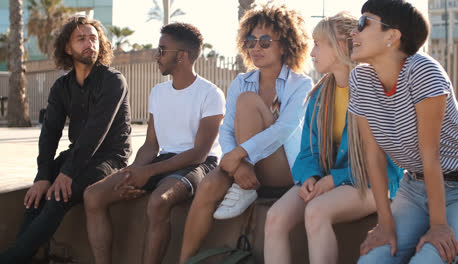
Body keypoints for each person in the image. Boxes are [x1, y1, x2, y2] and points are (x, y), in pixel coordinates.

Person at [263, 12, 403, 264]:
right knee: (275, 217)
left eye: (318, 44)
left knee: (316, 211)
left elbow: (385, 158)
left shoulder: (375, 90)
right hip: (327, 178)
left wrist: (335, 179)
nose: (312, 52)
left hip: (374, 182)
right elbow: (308, 150)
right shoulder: (319, 96)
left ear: (341, 45)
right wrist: (310, 177)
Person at [178, 4, 313, 263]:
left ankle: (243, 181)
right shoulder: (242, 81)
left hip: (282, 169)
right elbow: (227, 129)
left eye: (264, 42)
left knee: (248, 102)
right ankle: (184, 260)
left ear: (284, 45)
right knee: (207, 187)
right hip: (243, 166)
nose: (255, 48)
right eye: (251, 41)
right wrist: (237, 165)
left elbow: (284, 129)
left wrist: (239, 155)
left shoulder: (300, 84)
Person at [83, 22, 225, 264]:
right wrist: (133, 173)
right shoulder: (158, 92)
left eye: (161, 50)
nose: (156, 56)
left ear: (181, 56)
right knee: (93, 195)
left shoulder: (211, 94)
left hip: (198, 164)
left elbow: (199, 153)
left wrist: (148, 171)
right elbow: (151, 144)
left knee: (158, 202)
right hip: (165, 159)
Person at [0, 16, 131, 264]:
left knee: (58, 196)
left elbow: (96, 131)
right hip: (78, 154)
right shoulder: (62, 87)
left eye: (93, 38)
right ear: (67, 48)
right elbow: (50, 132)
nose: (89, 43)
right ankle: (22, 255)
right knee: (35, 197)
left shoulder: (113, 80)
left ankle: (12, 259)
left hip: (110, 157)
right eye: (81, 39)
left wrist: (68, 173)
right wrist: (42, 175)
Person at [346, 0, 458, 263]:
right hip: (413, 188)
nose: (353, 33)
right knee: (372, 259)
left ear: (392, 36)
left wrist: (438, 226)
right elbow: (373, 155)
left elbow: (430, 153)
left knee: (428, 259)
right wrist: (385, 223)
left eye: (363, 23)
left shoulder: (422, 71)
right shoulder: (360, 80)